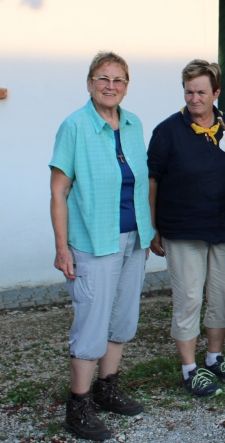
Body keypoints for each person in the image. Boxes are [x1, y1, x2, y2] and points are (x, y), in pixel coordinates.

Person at [50, 51, 155, 441]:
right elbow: (59, 192)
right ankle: (77, 406)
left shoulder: (132, 124)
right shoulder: (74, 126)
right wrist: (62, 247)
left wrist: (149, 232)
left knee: (123, 319)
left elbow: (141, 183)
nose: (111, 86)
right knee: (91, 324)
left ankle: (106, 389)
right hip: (94, 243)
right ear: (90, 82)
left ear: (127, 85)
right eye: (103, 78)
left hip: (134, 238)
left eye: (118, 79)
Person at [148, 59, 225, 398]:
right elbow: (153, 181)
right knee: (189, 297)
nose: (194, 99)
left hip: (222, 230)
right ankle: (190, 369)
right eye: (189, 92)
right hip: (182, 229)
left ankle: (215, 357)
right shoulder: (167, 131)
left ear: (216, 93)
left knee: (223, 296)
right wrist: (153, 227)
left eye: (201, 92)